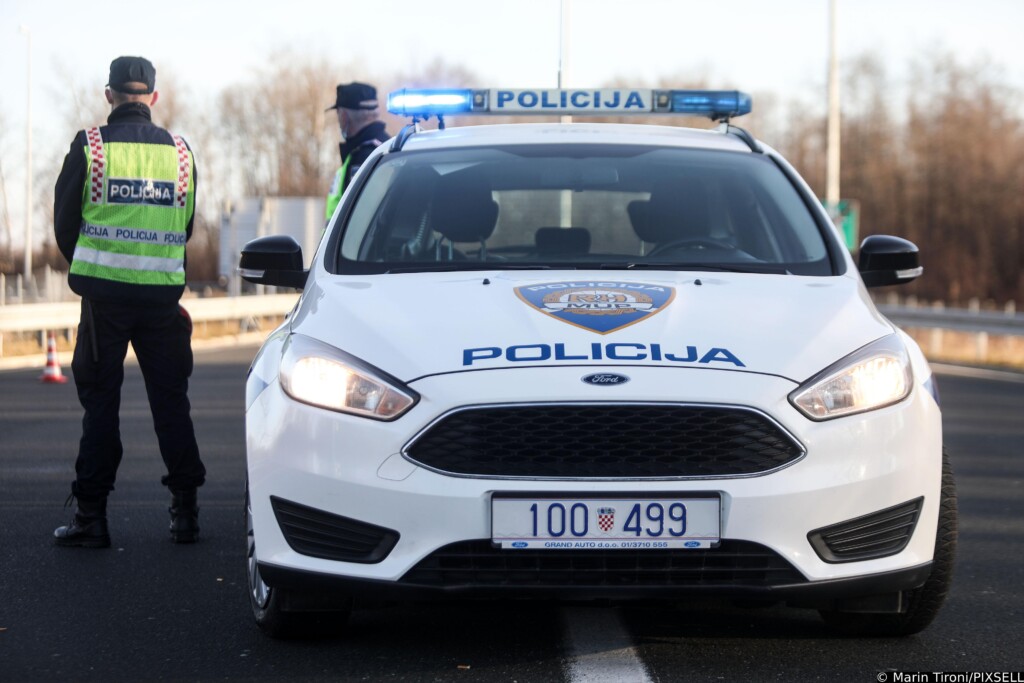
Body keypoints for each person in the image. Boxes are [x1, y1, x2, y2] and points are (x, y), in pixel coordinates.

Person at [52, 56, 206, 547]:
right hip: (161, 301)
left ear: (109, 95)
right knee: (171, 404)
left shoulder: (91, 146)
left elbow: (63, 224)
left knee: (101, 407)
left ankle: (92, 517)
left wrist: (97, 266)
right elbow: (184, 226)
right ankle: (186, 513)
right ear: (153, 98)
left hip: (105, 302)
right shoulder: (181, 154)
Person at [324, 82, 390, 221]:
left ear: (344, 116)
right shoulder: (388, 148)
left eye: (338, 114)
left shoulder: (365, 157)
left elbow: (359, 219)